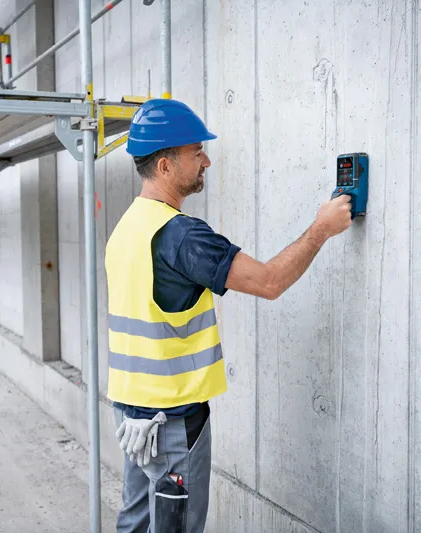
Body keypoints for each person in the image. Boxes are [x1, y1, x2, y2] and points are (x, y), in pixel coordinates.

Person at [106, 99, 353, 533]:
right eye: (196, 152)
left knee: (136, 523)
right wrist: (321, 229)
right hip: (171, 423)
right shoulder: (182, 236)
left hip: (131, 415)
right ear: (165, 166)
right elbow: (270, 282)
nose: (207, 161)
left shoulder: (127, 226)